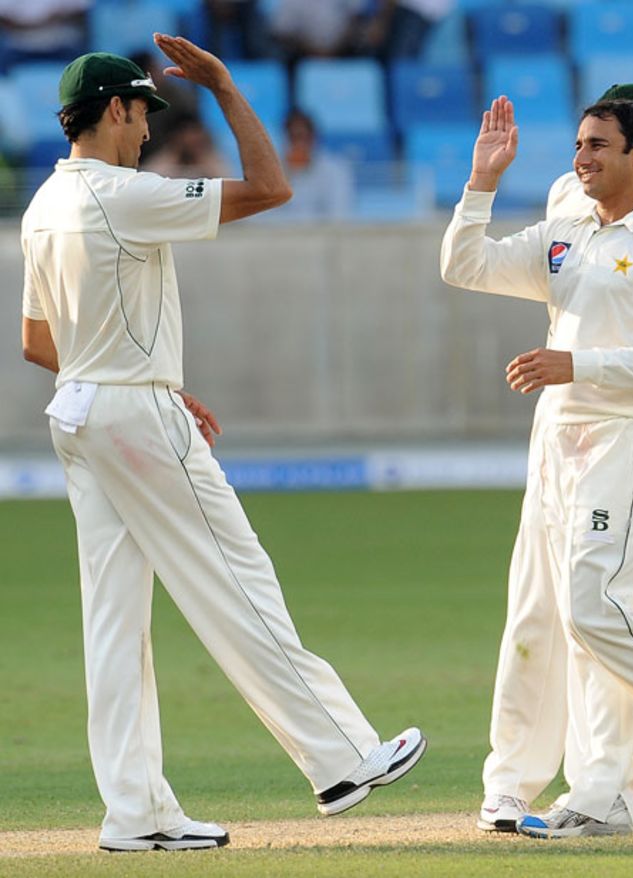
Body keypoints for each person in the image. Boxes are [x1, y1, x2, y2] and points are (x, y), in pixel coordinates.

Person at [19, 41, 425, 853]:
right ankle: (341, 758)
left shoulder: (43, 206)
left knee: (114, 623)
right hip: (131, 414)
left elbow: (38, 343)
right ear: (114, 111)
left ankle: (135, 813)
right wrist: (229, 90)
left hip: (82, 412)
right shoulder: (121, 194)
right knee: (236, 578)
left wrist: (143, 376)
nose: (147, 132)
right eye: (141, 115)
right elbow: (273, 187)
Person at [442, 95, 633, 838]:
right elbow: (464, 265)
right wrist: (481, 182)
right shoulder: (567, 230)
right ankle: (602, 789)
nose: (581, 158)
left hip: (629, 431)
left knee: (594, 605)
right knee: (574, 614)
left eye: (597, 146)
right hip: (559, 434)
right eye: (579, 144)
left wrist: (574, 363)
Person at [271, 108, 355, 221]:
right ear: (285, 139)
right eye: (294, 137)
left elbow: (339, 214)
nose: (300, 144)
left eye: (304, 137)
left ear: (314, 138)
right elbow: (262, 217)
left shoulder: (336, 171)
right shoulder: (271, 173)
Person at [141, 112, 232, 178]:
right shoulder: (158, 167)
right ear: (175, 138)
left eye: (196, 137)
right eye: (189, 137)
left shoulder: (214, 162)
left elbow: (228, 185)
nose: (193, 141)